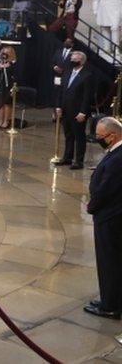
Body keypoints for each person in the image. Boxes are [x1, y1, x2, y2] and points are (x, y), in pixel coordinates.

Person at [84, 116, 122, 319]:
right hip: (112, 215)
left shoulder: (118, 159)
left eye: (100, 136)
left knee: (109, 262)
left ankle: (110, 305)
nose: (98, 139)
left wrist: (91, 206)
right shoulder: (115, 153)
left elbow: (106, 190)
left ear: (112, 136)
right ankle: (111, 298)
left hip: (110, 218)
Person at [54, 51, 93, 170]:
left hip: (78, 111)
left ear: (81, 61)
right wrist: (58, 106)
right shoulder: (67, 72)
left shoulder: (87, 75)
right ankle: (67, 157)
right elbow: (61, 90)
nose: (71, 60)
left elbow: (87, 96)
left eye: (74, 58)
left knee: (79, 136)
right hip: (65, 109)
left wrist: (83, 112)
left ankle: (78, 160)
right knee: (68, 134)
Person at [0, 46, 17, 130]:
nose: (4, 55)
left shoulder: (13, 64)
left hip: (8, 86)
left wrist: (6, 67)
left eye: (6, 53)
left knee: (7, 104)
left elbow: (14, 75)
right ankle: (0, 121)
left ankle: (6, 121)